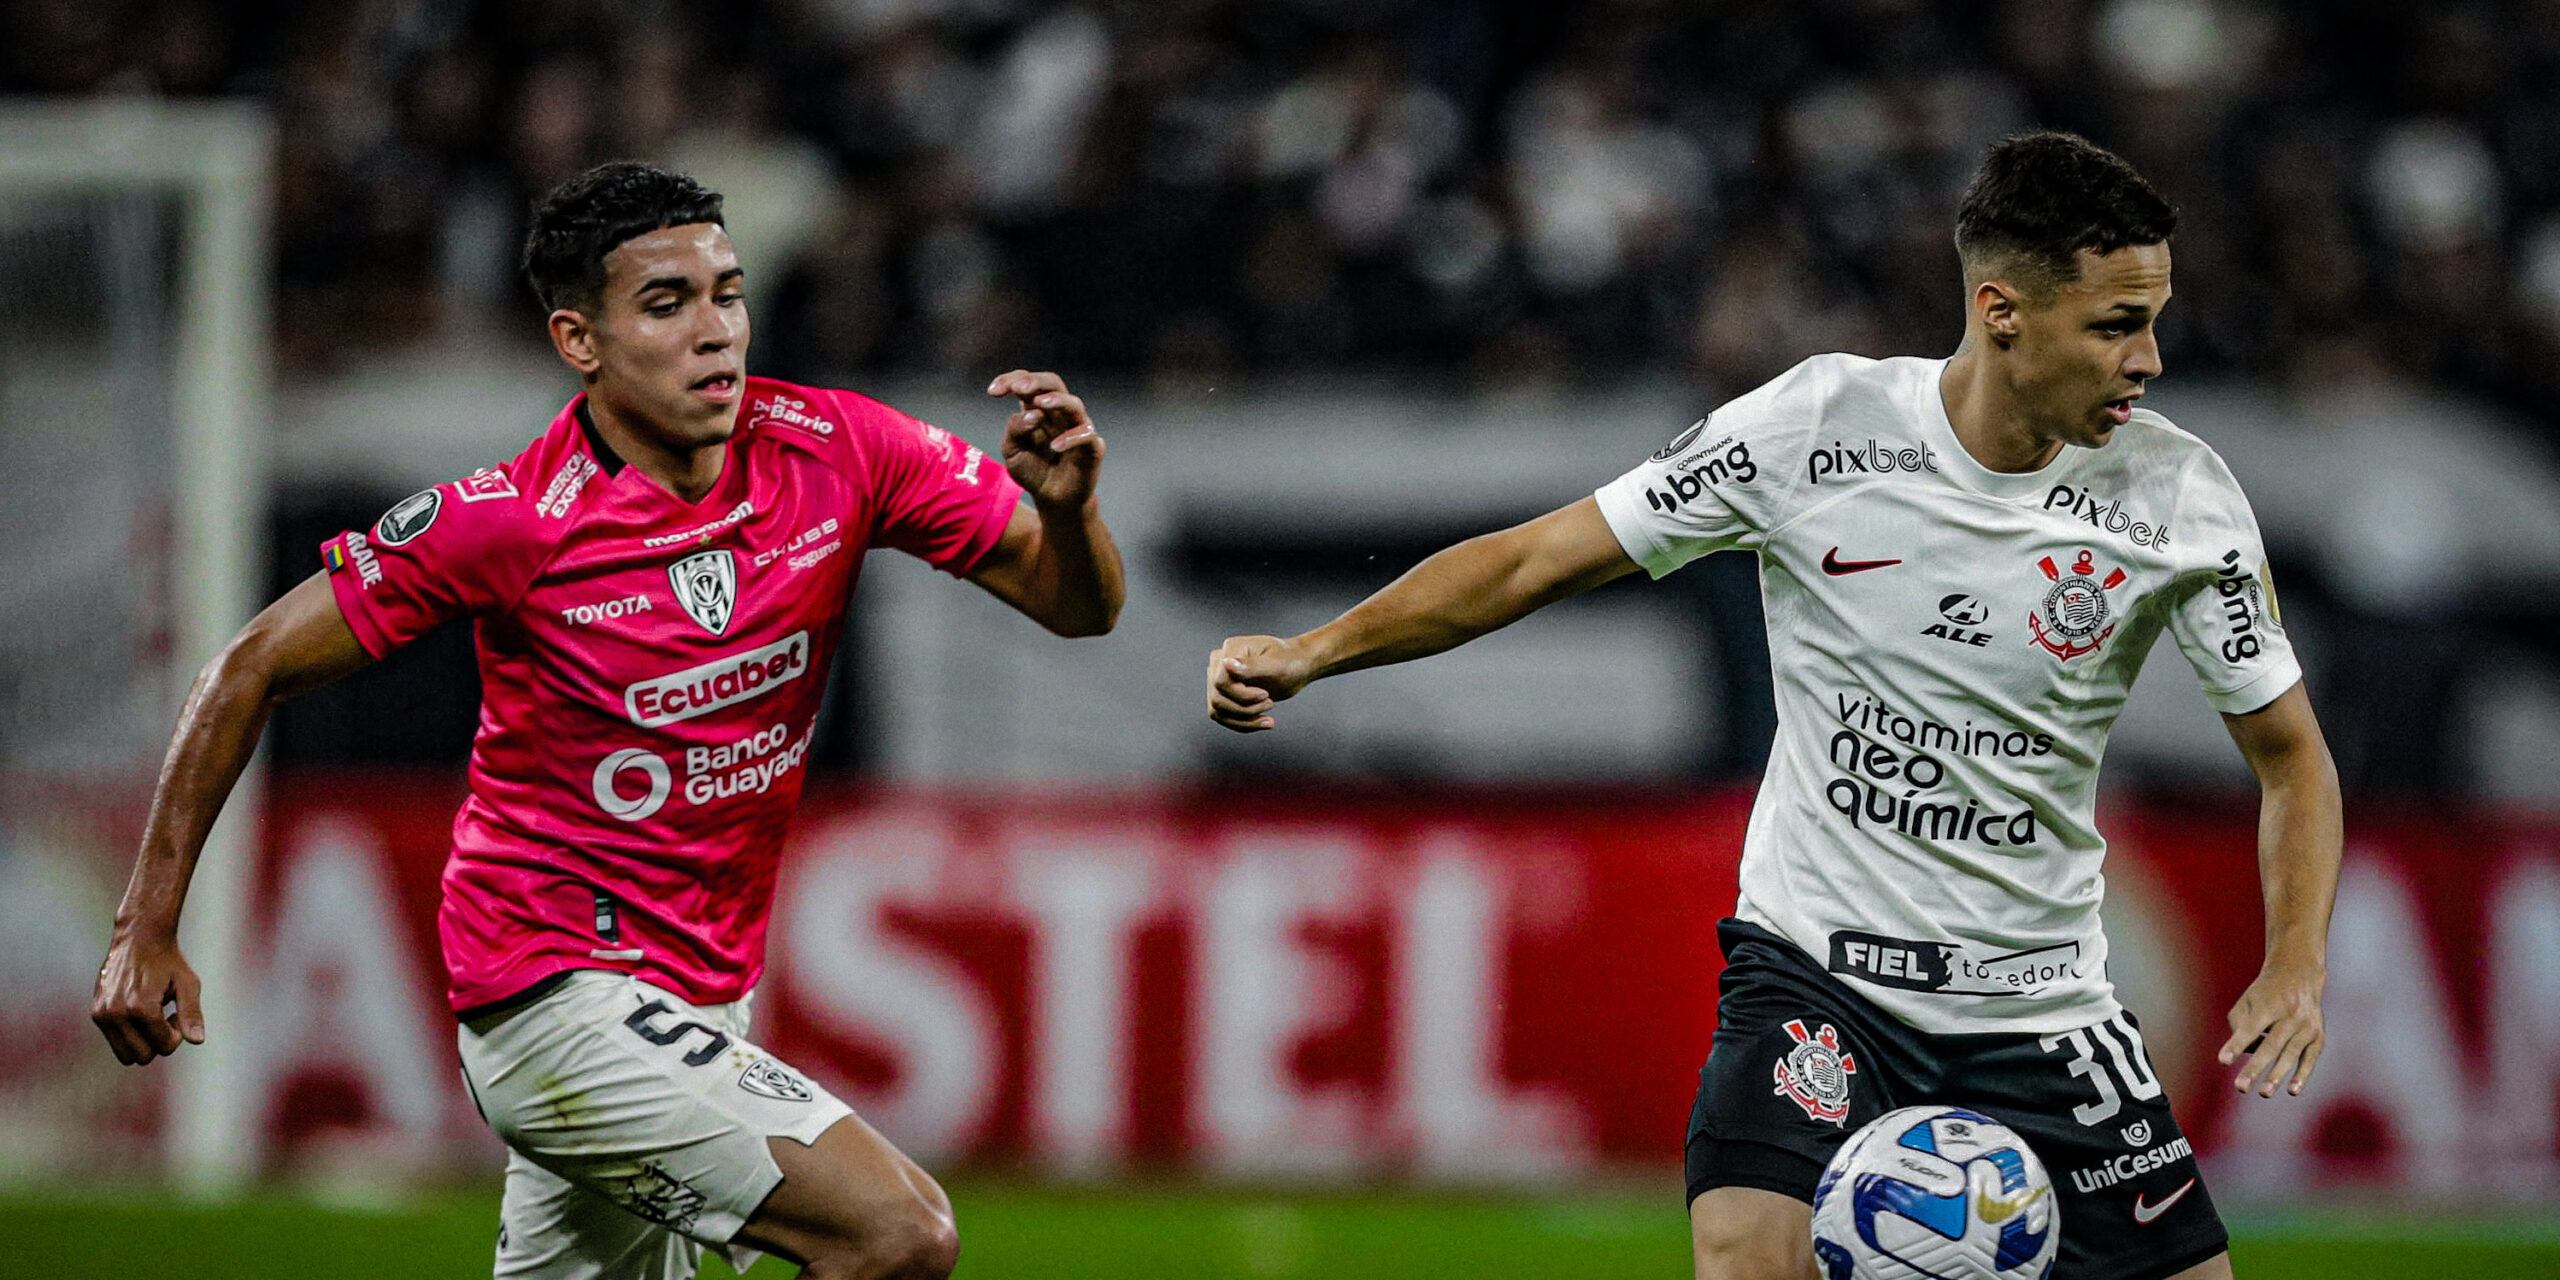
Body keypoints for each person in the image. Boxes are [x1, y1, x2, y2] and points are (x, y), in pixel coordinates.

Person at [1207, 131, 2340, 1280]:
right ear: (2001, 311)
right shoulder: (1817, 429)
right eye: (2114, 324)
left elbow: (2291, 758)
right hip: (1820, 976)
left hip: (2042, 1010)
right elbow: (1532, 560)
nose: (2147, 358)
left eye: (2152, 319)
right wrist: (1313, 651)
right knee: (1746, 1256)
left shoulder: (2180, 500)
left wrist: (2293, 960)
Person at [92, 161, 1124, 1280]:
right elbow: (247, 666)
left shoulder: (842, 448)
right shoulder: (508, 520)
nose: (717, 332)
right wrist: (144, 926)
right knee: (898, 1231)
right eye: (667, 304)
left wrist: (1068, 517)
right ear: (580, 341)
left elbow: (1078, 607)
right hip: (550, 994)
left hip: (695, 996)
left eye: (726, 292)